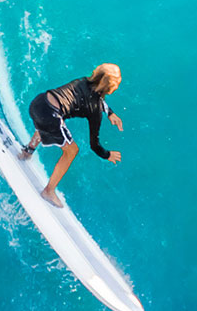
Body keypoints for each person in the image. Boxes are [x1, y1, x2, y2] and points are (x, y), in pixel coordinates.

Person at [17, 63, 124, 207]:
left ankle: (26, 152)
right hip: (49, 116)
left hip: (39, 103)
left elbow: (97, 95)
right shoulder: (95, 108)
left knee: (49, 126)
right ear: (111, 89)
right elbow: (94, 145)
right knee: (72, 150)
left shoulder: (83, 80)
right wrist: (107, 155)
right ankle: (48, 191)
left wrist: (110, 113)